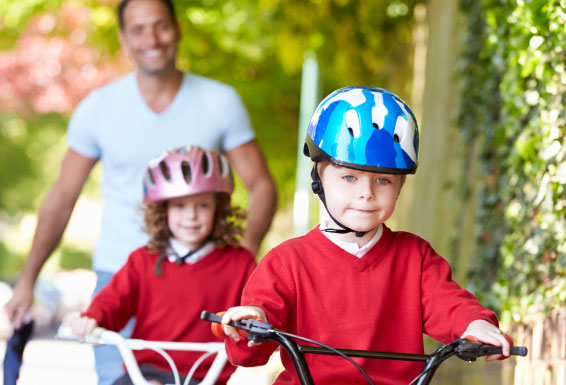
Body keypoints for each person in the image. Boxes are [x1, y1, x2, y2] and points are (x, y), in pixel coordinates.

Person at [5, 0, 276, 383]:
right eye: (138, 29)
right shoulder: (98, 107)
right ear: (123, 38)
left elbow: (261, 183)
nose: (151, 38)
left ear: (177, 29)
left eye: (160, 26)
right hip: (119, 270)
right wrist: (29, 278)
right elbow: (62, 197)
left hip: (202, 282)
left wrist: (240, 258)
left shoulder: (220, 101)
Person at [217, 86, 512, 385]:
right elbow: (248, 350)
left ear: (399, 187)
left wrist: (474, 323)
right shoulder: (286, 262)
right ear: (318, 179)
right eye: (349, 177)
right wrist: (252, 323)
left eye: (383, 180)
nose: (366, 194)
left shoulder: (415, 257)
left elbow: (448, 302)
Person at [71, 146, 257, 385]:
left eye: (202, 205)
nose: (191, 216)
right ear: (162, 210)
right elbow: (113, 300)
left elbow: (257, 306)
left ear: (218, 209)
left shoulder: (240, 263)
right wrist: (93, 318)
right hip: (146, 372)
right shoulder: (142, 260)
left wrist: (258, 326)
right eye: (179, 206)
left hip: (205, 376)